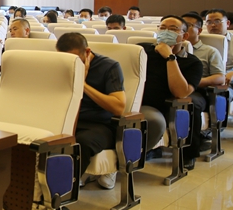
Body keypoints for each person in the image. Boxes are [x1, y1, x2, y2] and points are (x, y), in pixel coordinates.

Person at [56, 33, 126, 189]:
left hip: (101, 124)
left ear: (87, 52)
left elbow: (118, 107)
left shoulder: (109, 67)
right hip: (69, 120)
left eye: (76, 60)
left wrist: (82, 84)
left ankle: (63, 191)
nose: (72, 64)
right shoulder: (61, 63)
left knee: (82, 142)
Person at [139, 15, 202, 169]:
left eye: (173, 29)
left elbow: (180, 93)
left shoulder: (192, 63)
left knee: (191, 107)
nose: (166, 32)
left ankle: (188, 154)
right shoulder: (142, 50)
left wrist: (170, 57)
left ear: (184, 36)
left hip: (163, 105)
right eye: (162, 28)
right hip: (134, 100)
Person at [182, 12, 225, 147]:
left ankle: (191, 148)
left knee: (191, 103)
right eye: (182, 26)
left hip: (198, 91)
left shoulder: (209, 51)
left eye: (188, 25)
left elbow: (220, 77)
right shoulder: (173, 49)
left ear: (199, 30)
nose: (184, 29)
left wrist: (194, 82)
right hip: (172, 87)